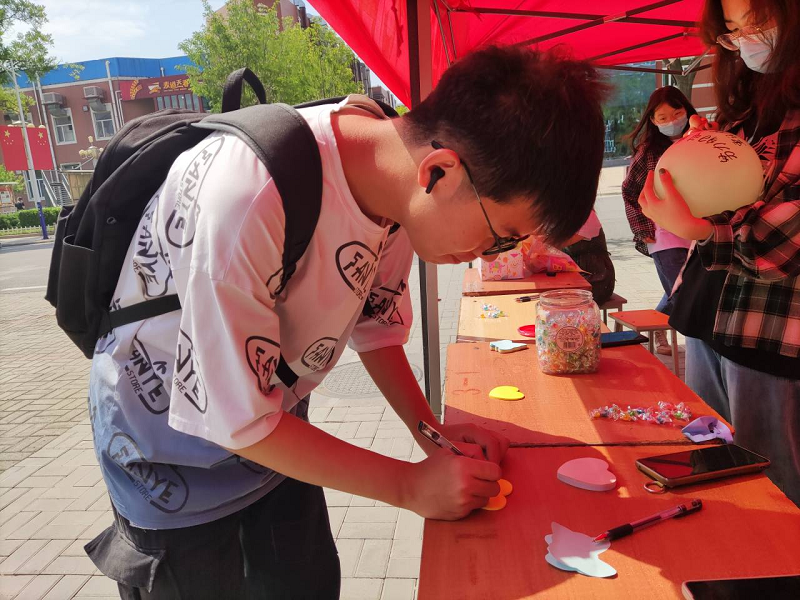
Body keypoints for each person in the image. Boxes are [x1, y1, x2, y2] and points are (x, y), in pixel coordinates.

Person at [85, 45, 609, 599]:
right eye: (501, 235)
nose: (485, 254)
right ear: (441, 171)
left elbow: (376, 328)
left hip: (277, 435)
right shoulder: (247, 195)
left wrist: (432, 434)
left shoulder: (397, 190)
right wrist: (407, 486)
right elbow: (233, 418)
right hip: (170, 463)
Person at [640, 0, 800, 507]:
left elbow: (781, 245)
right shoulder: (747, 113)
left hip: (770, 336)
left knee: (771, 493)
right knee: (711, 476)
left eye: (758, 22)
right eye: (733, 31)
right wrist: (706, 158)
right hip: (708, 315)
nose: (746, 40)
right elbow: (728, 202)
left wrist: (699, 228)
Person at [621, 86, 698, 354]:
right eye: (663, 118)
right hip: (664, 233)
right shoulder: (648, 152)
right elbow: (629, 191)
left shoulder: (702, 141)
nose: (671, 121)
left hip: (701, 231)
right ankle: (696, 344)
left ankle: (656, 328)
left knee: (685, 286)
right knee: (684, 292)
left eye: (676, 114)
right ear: (653, 121)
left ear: (687, 111)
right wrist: (641, 228)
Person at [562, 210, 616, 305]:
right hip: (577, 275)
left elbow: (557, 243)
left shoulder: (588, 217)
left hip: (596, 277)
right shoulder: (562, 216)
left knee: (557, 296)